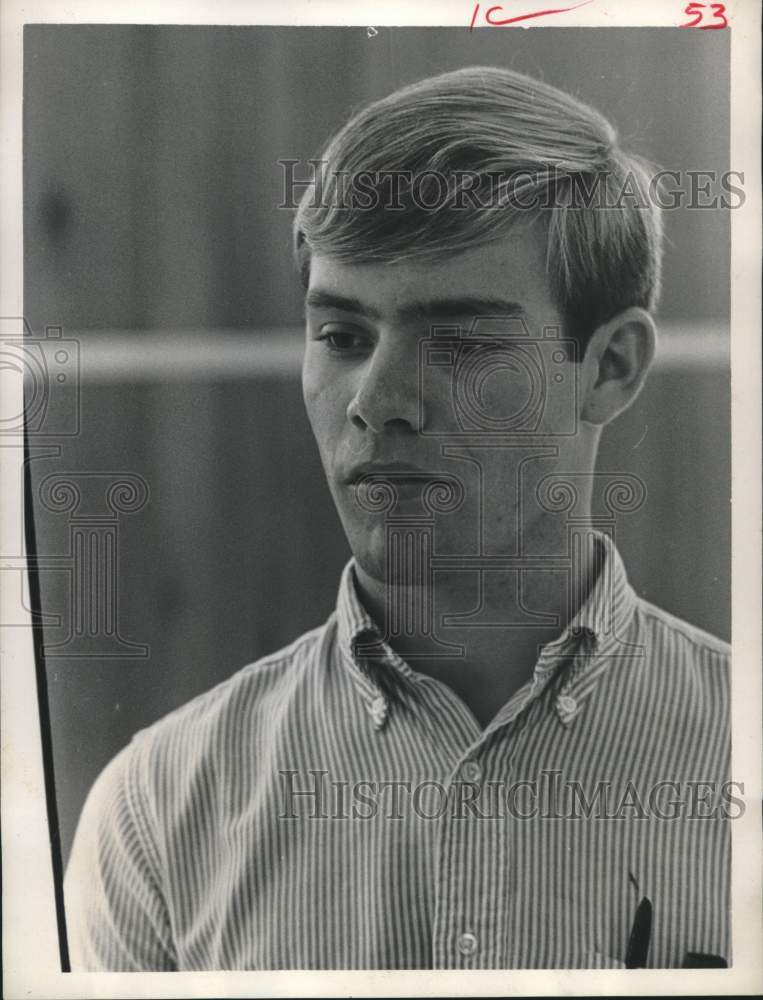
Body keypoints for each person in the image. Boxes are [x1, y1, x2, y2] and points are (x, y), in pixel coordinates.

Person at [64, 66, 731, 971]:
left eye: (458, 342)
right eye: (341, 336)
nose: (378, 403)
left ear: (608, 367)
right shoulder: (157, 814)